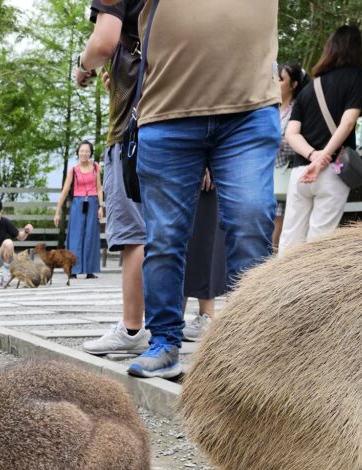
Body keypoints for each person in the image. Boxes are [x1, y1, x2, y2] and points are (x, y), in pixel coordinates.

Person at [78, 0, 281, 380]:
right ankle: (164, 343)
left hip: (249, 108)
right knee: (165, 237)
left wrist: (82, 64)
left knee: (251, 220)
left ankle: (251, 351)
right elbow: (109, 37)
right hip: (166, 112)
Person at [80, 1, 151, 359]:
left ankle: (132, 327)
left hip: (130, 138)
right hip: (166, 127)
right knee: (160, 232)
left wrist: (82, 63)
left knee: (133, 237)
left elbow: (102, 43)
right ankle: (163, 326)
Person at [279, 25, 362, 252]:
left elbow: (291, 133)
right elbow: (348, 123)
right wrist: (322, 159)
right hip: (334, 169)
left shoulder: (309, 88)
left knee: (290, 240)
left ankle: (281, 286)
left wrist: (311, 156)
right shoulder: (357, 77)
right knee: (319, 243)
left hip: (300, 172)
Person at [182, 171, 227, 343]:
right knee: (177, 241)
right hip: (180, 159)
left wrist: (208, 163)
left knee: (206, 233)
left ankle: (206, 315)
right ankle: (175, 317)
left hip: (207, 160)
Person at [54, 140, 103, 278]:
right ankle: (73, 270)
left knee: (91, 236)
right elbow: (65, 191)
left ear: (91, 153)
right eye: (82, 151)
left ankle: (89, 270)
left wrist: (101, 206)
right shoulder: (73, 170)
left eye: (87, 151)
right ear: (78, 152)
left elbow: (99, 188)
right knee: (75, 236)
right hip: (77, 203)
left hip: (93, 203)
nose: (84, 153)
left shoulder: (96, 167)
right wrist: (57, 211)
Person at [273, 63, 309, 249]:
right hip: (264, 174)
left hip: (282, 177)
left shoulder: (297, 109)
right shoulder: (271, 108)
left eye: (281, 79)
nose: (276, 83)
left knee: (275, 235)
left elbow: (298, 143)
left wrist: (280, 142)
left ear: (294, 85)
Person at [0, 195, 33, 286]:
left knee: (8, 242)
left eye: (0, 211)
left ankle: (5, 277)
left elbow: (20, 237)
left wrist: (26, 231)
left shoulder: (4, 222)